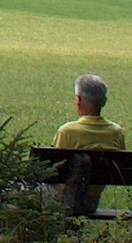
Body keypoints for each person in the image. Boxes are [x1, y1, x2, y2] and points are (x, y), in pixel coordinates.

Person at [53, 74, 125, 212]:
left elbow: (52, 171)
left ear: (79, 100)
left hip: (64, 202)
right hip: (91, 203)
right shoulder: (116, 133)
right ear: (104, 102)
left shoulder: (67, 132)